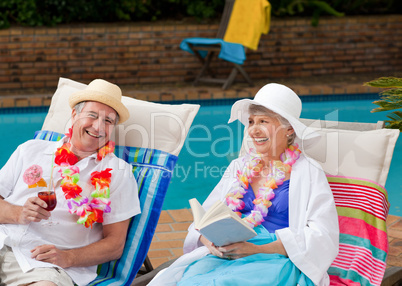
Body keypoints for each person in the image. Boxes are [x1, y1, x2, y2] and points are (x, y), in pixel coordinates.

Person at [148, 83, 339, 286]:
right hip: (227, 254)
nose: (253, 130)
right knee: (189, 282)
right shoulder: (239, 166)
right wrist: (209, 242)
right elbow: (204, 217)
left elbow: (323, 234)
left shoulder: (308, 171)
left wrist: (255, 249)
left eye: (263, 121)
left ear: (289, 129)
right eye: (251, 121)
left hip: (274, 258)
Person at [0, 79, 141, 286]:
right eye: (92, 115)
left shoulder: (118, 172)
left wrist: (68, 257)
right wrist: (19, 213)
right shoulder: (30, 149)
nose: (98, 127)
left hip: (44, 266)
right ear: (74, 115)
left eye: (108, 121)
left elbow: (114, 244)